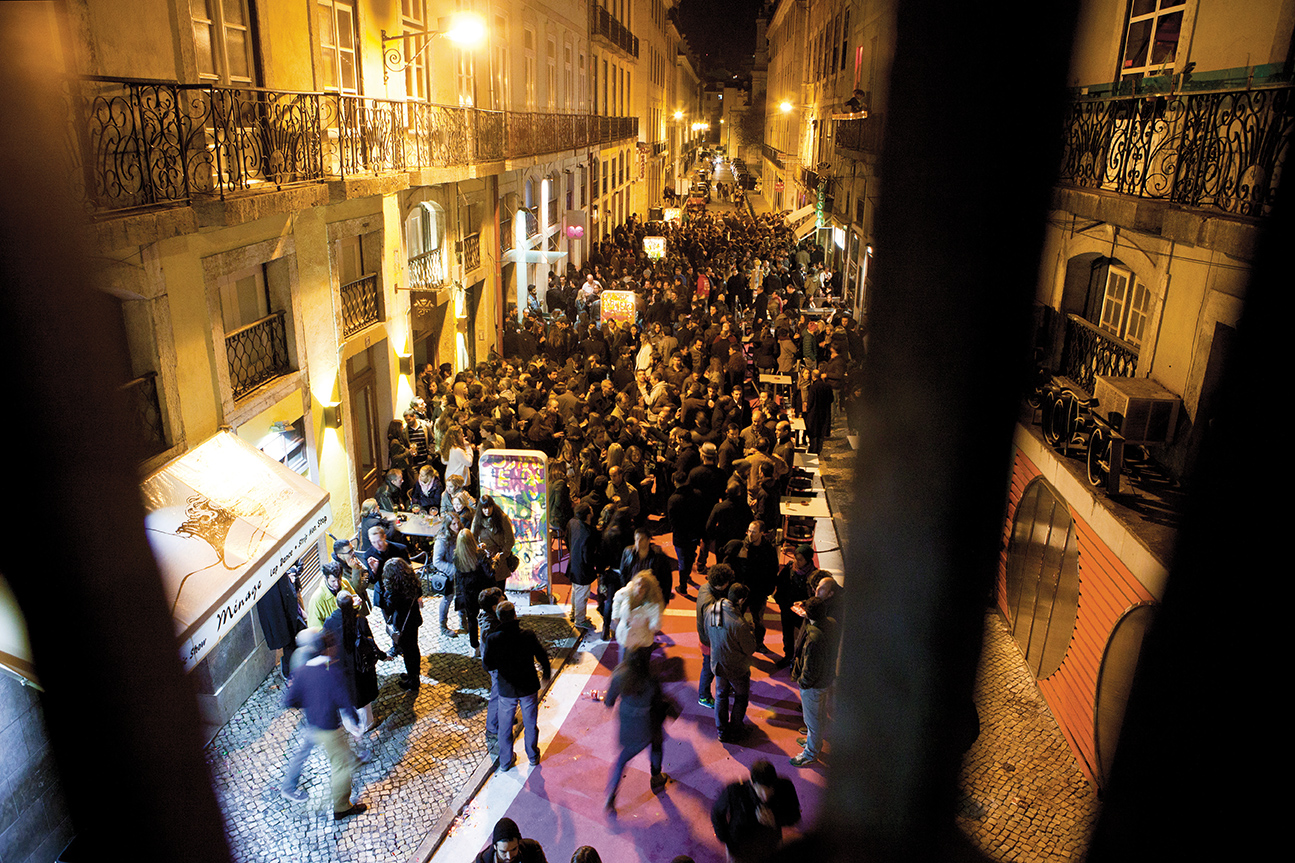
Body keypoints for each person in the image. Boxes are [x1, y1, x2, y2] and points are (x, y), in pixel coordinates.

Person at [279, 627, 369, 820]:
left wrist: (310, 702)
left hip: (313, 724)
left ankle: (354, 760)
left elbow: (289, 701)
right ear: (327, 649)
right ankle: (342, 807)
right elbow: (344, 701)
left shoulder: (302, 671)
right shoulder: (331, 672)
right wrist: (355, 723)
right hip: (329, 727)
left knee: (332, 755)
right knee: (340, 766)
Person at [603, 648, 676, 813]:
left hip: (628, 721)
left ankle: (612, 794)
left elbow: (608, 702)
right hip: (648, 721)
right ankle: (656, 777)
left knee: (622, 759)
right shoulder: (651, 680)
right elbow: (659, 701)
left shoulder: (619, 676)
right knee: (656, 745)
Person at [483, 601, 552, 770]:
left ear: (499, 618)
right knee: (530, 723)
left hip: (507, 689)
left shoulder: (493, 639)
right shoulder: (527, 635)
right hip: (528, 686)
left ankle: (506, 761)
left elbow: (488, 665)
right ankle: (532, 755)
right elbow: (542, 656)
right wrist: (546, 675)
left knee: (505, 727)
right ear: (515, 615)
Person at [323, 591, 382, 759]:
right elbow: (371, 644)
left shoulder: (329, 623)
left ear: (337, 605)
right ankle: (367, 724)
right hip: (360, 669)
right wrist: (382, 655)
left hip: (340, 670)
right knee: (362, 698)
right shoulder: (360, 621)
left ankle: (351, 726)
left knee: (347, 697)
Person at [710, 759, 801, 863]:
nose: (766, 796)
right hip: (740, 849)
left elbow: (795, 815)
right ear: (752, 783)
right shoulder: (735, 791)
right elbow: (716, 813)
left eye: (770, 789)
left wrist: (775, 820)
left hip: (769, 845)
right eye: (761, 790)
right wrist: (725, 839)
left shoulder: (785, 787)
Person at [789, 596, 837, 767]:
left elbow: (810, 667)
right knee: (820, 714)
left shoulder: (813, 637)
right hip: (826, 678)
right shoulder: (831, 622)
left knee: (812, 720)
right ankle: (812, 741)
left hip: (814, 685)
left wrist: (803, 682)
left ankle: (810, 753)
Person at [707, 582, 757, 742]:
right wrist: (751, 631)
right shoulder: (739, 624)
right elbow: (750, 649)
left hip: (718, 663)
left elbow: (717, 632)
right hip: (736, 667)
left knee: (721, 695)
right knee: (741, 697)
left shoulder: (714, 609)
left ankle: (721, 731)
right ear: (741, 600)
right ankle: (736, 729)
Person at [381, 558, 424, 691]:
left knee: (408, 652)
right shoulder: (413, 583)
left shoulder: (393, 592)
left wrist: (386, 592)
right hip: (413, 621)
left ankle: (413, 680)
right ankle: (414, 675)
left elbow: (388, 609)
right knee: (413, 649)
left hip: (403, 625)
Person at [695, 564, 733, 709]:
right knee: (709, 668)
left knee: (708, 666)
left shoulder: (705, 587)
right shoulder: (712, 605)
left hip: (705, 639)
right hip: (710, 642)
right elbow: (715, 627)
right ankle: (703, 696)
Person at [454, 528, 497, 652]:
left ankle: (475, 646)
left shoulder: (457, 556)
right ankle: (489, 642)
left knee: (472, 620)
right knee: (489, 616)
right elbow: (490, 572)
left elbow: (458, 577)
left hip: (468, 593)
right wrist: (495, 561)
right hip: (483, 590)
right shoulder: (480, 554)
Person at [473, 493, 516, 589]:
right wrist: (480, 548)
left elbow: (510, 540)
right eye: (484, 508)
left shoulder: (502, 518)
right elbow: (473, 538)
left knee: (499, 589)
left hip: (500, 559)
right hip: (485, 559)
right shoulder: (478, 519)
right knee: (486, 590)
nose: (487, 510)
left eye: (489, 507)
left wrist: (503, 554)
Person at [567, 502, 598, 630]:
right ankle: (580, 620)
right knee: (582, 594)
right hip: (583, 568)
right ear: (588, 515)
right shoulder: (588, 533)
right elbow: (588, 556)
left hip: (573, 561)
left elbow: (566, 539)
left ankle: (574, 613)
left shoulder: (571, 523)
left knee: (576, 590)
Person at [306, 561, 358, 630]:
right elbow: (315, 628)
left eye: (339, 579)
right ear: (325, 578)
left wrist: (356, 604)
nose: (337, 584)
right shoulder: (317, 599)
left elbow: (355, 602)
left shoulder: (345, 583)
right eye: (333, 581)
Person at [472, 817, 549, 863]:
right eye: (503, 851)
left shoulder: (532, 850)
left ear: (519, 843)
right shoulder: (482, 861)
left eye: (513, 849)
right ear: (495, 846)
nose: (509, 856)